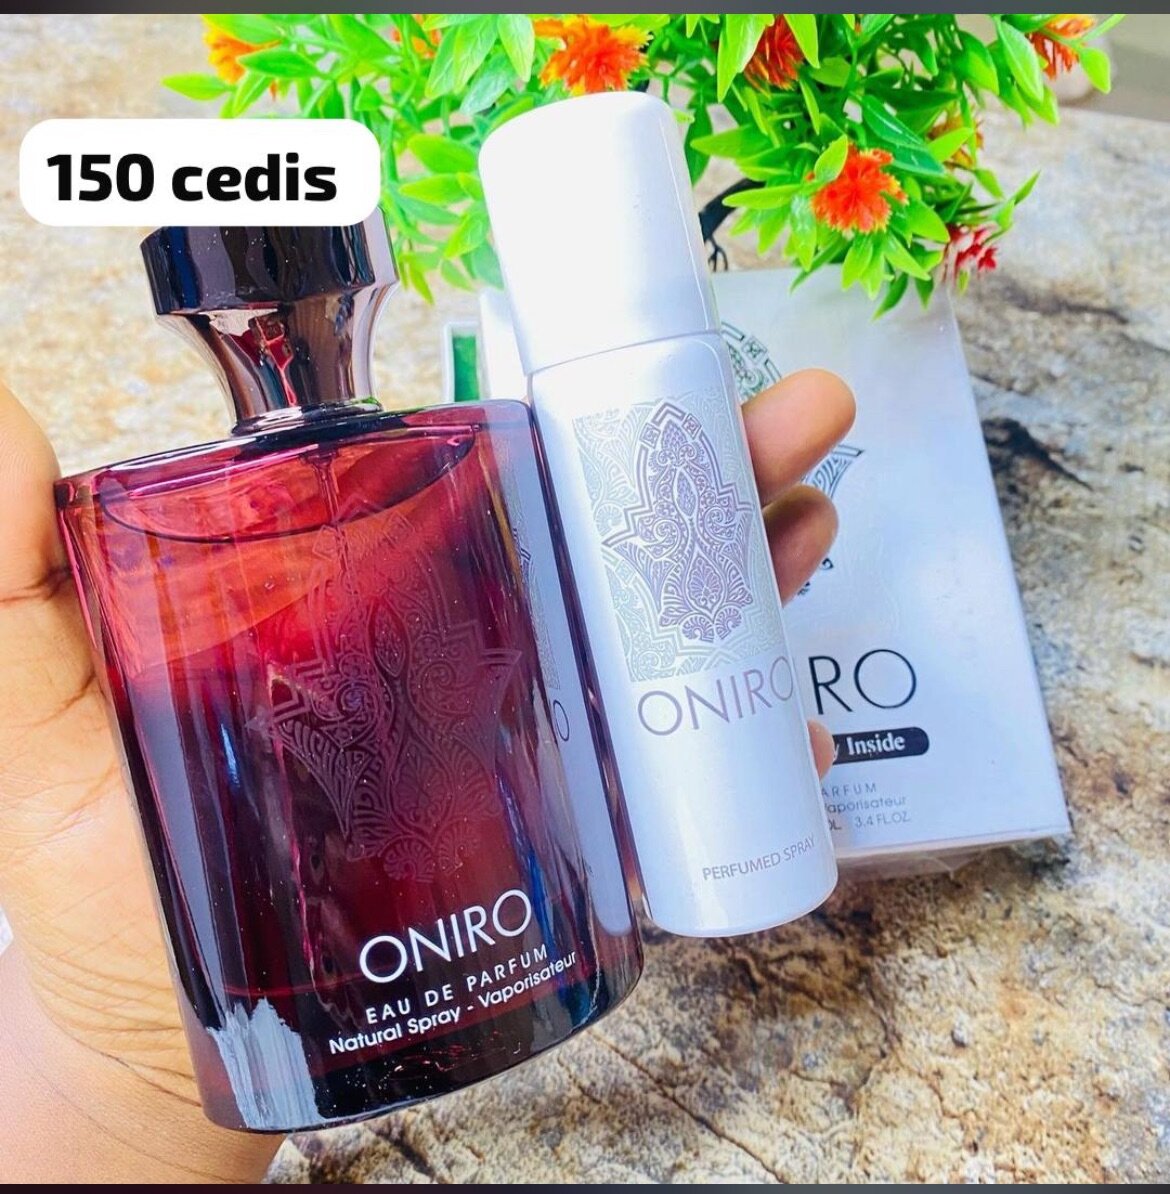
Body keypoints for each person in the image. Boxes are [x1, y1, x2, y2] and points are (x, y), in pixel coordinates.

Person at [0, 368, 855, 1183]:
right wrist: (118, 1075)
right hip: (523, 960)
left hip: (532, 948)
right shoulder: (141, 516)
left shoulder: (477, 443)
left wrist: (112, 1085)